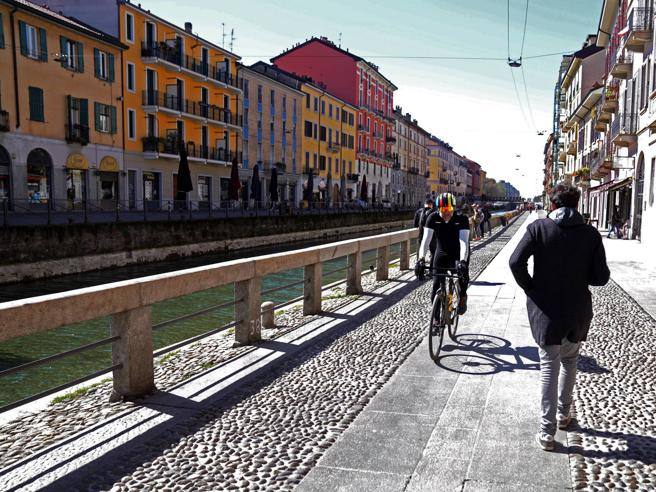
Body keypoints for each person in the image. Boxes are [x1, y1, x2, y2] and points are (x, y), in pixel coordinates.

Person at [509, 183, 610, 452]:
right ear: (577, 205)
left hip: (546, 312)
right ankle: (564, 416)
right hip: (577, 311)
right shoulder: (590, 234)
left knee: (549, 368)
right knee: (570, 360)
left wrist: (531, 288)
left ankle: (546, 433)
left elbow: (515, 262)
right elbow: (601, 278)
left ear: (552, 205)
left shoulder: (538, 228)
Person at [417, 193, 471, 314]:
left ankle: (462, 296)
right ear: (438, 208)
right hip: (441, 251)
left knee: (463, 276)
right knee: (436, 284)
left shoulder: (461, 219)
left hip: (458, 253)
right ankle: (436, 319)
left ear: (454, 208)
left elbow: (464, 242)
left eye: (450, 210)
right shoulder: (432, 218)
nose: (447, 213)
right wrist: (421, 259)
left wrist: (462, 261)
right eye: (443, 210)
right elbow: (425, 241)